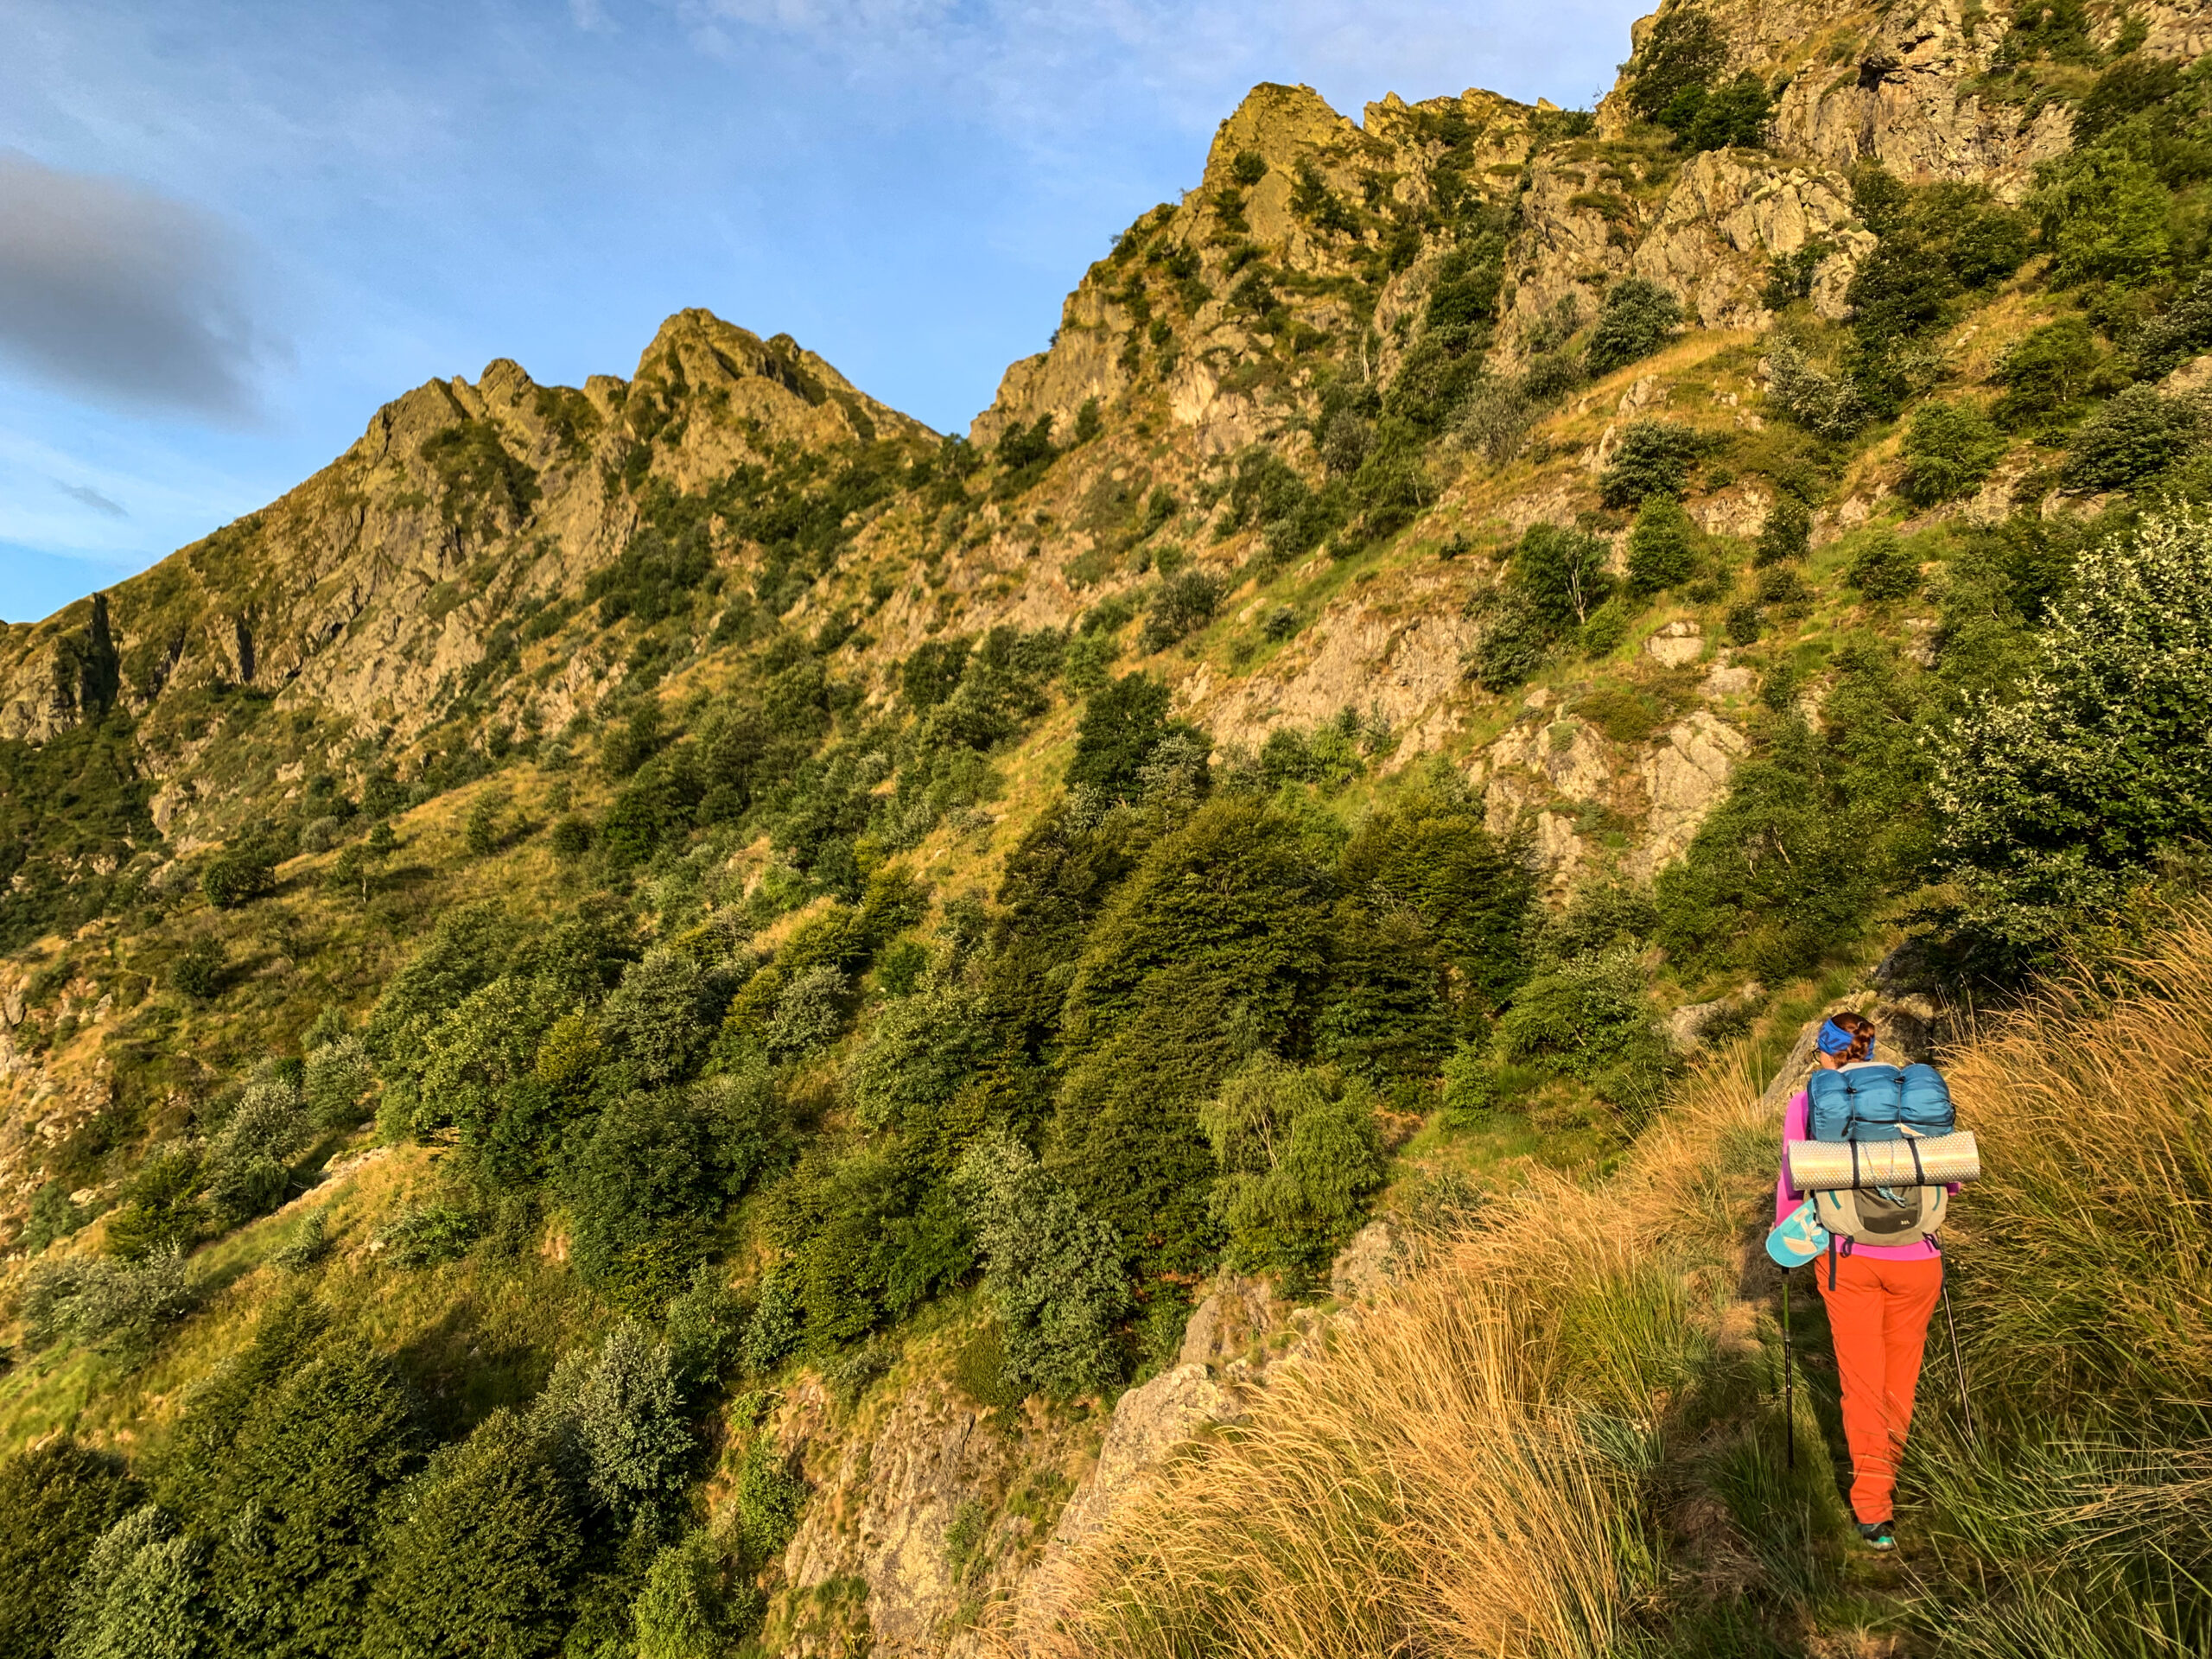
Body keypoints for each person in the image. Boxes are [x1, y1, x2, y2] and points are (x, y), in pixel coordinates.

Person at [1774, 1011, 1946, 1552]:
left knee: (1862, 1382)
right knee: (1902, 1378)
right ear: (1870, 1050)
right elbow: (1951, 1180)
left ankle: (1873, 1508)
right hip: (1919, 1259)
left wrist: (1787, 1245)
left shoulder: (1808, 1103)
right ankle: (1886, 1476)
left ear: (1822, 1052)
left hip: (1849, 1259)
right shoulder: (1911, 1097)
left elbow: (1792, 1182)